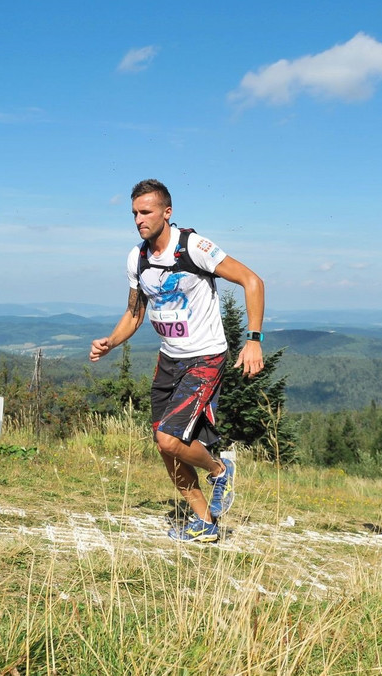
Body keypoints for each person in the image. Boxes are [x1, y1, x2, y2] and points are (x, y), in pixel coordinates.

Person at [90, 179, 265, 544]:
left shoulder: (194, 247)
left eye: (146, 212)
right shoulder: (137, 258)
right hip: (169, 360)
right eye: (135, 213)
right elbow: (134, 313)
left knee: (169, 439)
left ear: (166, 212)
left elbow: (252, 280)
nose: (139, 219)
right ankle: (205, 523)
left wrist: (253, 340)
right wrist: (111, 341)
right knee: (166, 448)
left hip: (205, 357)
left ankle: (220, 469)